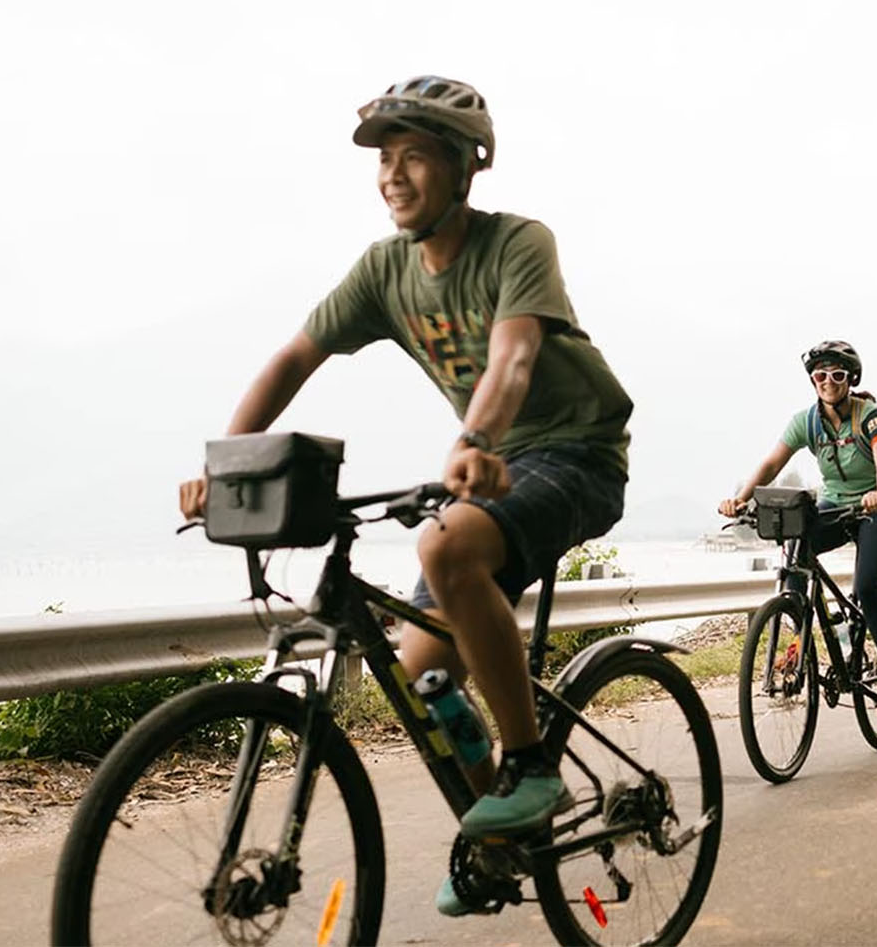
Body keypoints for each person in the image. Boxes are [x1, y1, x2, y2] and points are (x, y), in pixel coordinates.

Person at [177, 75, 633, 916]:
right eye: (385, 159)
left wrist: (475, 440)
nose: (392, 174)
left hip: (575, 452)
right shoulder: (384, 271)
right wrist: (232, 462)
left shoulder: (518, 243)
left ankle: (533, 768)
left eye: (414, 155)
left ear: (468, 166)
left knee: (444, 544)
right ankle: (508, 842)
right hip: (487, 462)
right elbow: (292, 360)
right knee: (426, 685)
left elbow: (514, 360)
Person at [719, 341, 877, 716]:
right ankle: (797, 640)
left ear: (850, 379)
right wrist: (741, 499)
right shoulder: (806, 422)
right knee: (795, 552)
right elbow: (772, 463)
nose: (827, 381)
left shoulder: (871, 416)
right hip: (835, 505)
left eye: (837, 375)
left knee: (867, 589)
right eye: (820, 375)